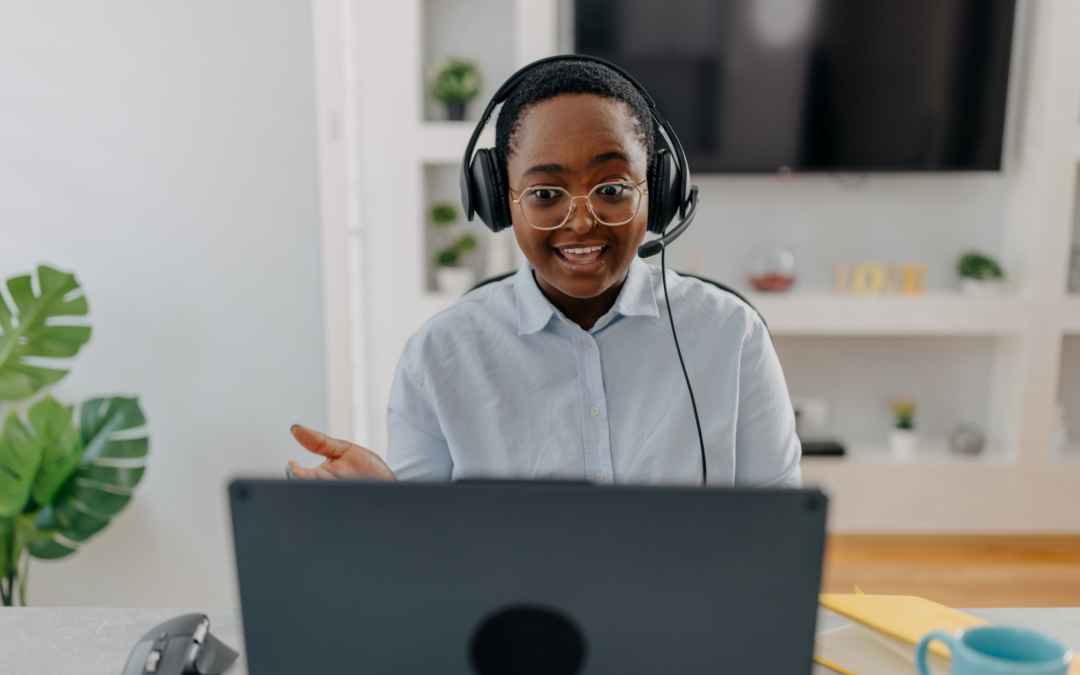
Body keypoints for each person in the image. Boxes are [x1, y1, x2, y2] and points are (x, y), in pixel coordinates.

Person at [289, 59, 801, 487]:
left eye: (613, 188)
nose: (582, 220)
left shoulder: (731, 336)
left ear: (659, 191)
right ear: (498, 201)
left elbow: (778, 539)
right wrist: (384, 514)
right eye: (545, 194)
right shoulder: (438, 356)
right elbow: (429, 569)